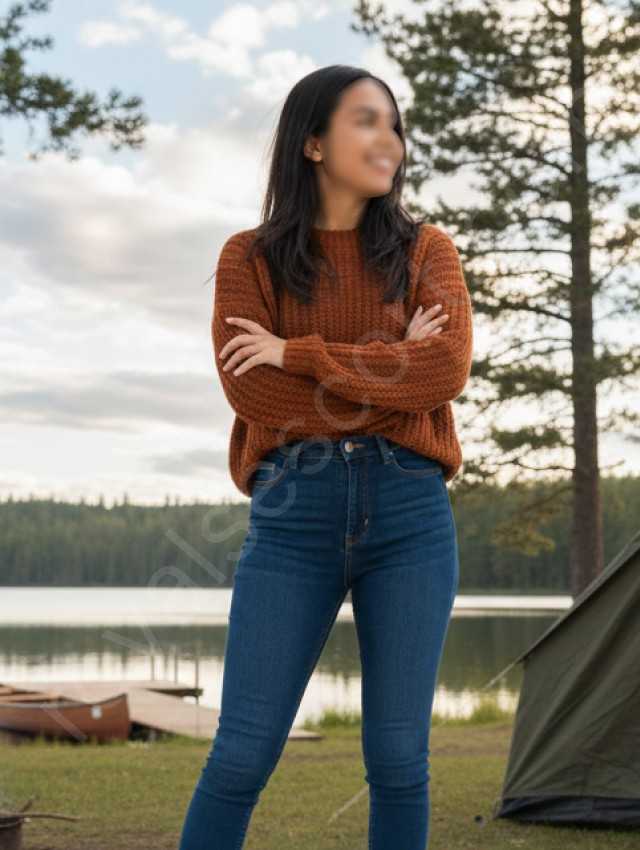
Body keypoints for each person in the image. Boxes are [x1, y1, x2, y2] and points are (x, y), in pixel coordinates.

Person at [179, 63, 473, 850]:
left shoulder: (427, 252)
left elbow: (443, 372)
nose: (390, 140)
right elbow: (258, 401)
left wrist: (298, 352)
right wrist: (386, 360)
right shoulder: (249, 259)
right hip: (291, 519)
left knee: (399, 759)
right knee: (241, 753)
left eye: (395, 124)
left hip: (410, 514)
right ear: (312, 143)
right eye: (367, 120)